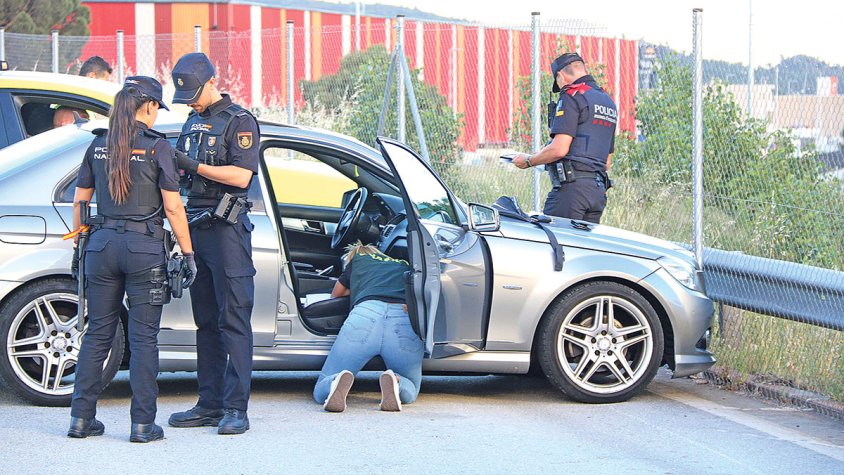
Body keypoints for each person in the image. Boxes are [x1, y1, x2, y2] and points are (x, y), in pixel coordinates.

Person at [67, 76, 195, 443]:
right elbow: (172, 206)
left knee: (98, 335)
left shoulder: (98, 145)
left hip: (101, 248)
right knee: (143, 340)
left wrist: (80, 245)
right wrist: (187, 253)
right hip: (144, 250)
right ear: (150, 107)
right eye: (157, 108)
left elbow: (80, 201)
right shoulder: (158, 148)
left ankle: (80, 419)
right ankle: (142, 425)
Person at [167, 52, 260, 435]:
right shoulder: (191, 121)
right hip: (195, 226)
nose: (189, 101)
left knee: (233, 319)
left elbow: (241, 176)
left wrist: (194, 167)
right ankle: (209, 404)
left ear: (209, 82)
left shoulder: (239, 122)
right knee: (205, 322)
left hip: (226, 230)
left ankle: (237, 409)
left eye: (192, 93)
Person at [313, 241, 424, 413]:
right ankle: (396, 381)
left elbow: (336, 296)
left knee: (321, 389)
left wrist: (358, 287)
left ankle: (336, 380)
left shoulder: (357, 261)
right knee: (411, 387)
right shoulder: (405, 265)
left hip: (365, 314)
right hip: (404, 317)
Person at [512, 52, 617, 224]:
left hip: (572, 192)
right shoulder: (608, 102)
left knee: (551, 243)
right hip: (597, 192)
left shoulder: (572, 95)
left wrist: (529, 161)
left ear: (561, 76)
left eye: (558, 83)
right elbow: (606, 162)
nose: (560, 88)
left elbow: (559, 149)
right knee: (581, 249)